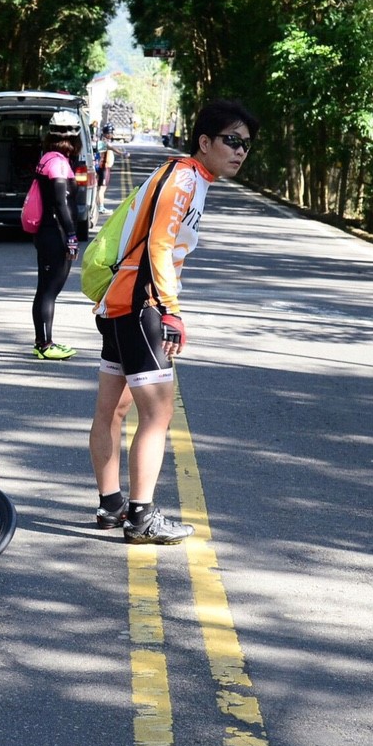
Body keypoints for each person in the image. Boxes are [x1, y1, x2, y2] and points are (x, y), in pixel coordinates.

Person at [88, 99, 258, 545]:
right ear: (205, 142)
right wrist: (171, 310)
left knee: (114, 409)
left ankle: (111, 506)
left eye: (246, 145)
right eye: (232, 141)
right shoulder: (184, 177)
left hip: (120, 303)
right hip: (141, 305)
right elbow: (160, 245)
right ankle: (141, 517)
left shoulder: (186, 176)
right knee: (158, 412)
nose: (240, 151)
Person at [31, 120, 80, 361]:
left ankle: (42, 341)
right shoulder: (59, 164)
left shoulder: (47, 158)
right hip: (56, 232)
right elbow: (62, 204)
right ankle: (45, 344)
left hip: (46, 231)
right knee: (49, 290)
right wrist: (72, 236)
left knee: (44, 289)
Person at [95, 127, 123, 215]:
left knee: (100, 188)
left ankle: (98, 206)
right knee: (102, 189)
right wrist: (123, 153)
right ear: (107, 133)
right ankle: (101, 207)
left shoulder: (101, 141)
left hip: (103, 167)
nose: (112, 135)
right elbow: (112, 148)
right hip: (104, 168)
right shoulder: (104, 142)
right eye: (111, 133)